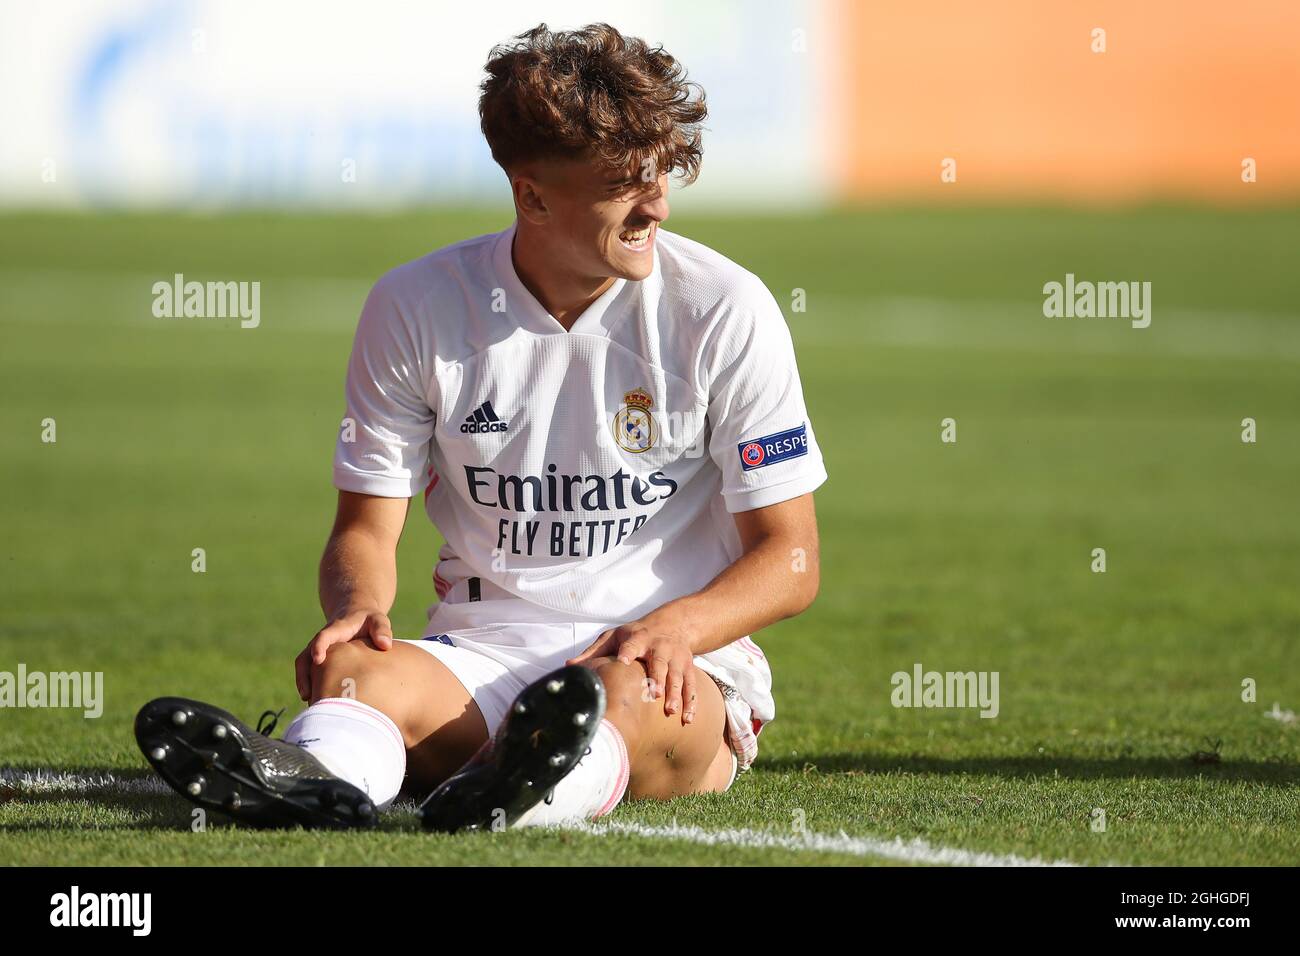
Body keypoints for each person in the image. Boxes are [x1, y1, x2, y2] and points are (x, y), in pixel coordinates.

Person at [136, 21, 827, 832]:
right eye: (625, 185)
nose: (659, 205)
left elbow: (793, 558)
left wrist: (679, 624)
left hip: (664, 662)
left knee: (623, 698)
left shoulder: (722, 308)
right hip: (477, 655)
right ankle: (315, 784)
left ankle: (516, 790)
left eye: (662, 175)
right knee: (356, 674)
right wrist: (357, 606)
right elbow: (364, 529)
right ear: (531, 195)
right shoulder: (416, 306)